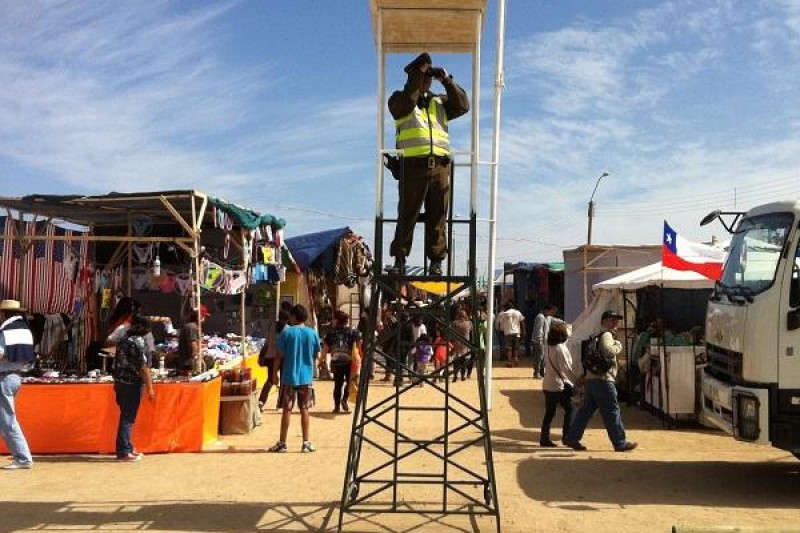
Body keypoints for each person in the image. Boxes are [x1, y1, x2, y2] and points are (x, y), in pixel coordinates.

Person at [387, 51, 470, 276]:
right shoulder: (399, 100)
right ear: (412, 77)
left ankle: (435, 262)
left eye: (429, 77)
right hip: (413, 166)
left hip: (440, 167)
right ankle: (400, 259)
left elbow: (463, 105)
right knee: (408, 215)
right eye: (423, 77)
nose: (427, 81)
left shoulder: (439, 102)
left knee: (437, 216)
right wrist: (418, 75)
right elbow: (407, 101)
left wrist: (446, 79)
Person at [564, 310, 638, 452]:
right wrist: (618, 345)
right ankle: (620, 442)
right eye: (612, 320)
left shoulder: (594, 336)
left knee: (586, 411)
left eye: (617, 320)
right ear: (604, 321)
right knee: (612, 411)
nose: (616, 322)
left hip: (592, 379)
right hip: (603, 379)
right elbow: (608, 351)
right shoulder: (607, 335)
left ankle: (572, 437)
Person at [268, 304, 321, 453]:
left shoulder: (287, 333)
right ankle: (306, 442)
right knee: (304, 409)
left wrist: (274, 375)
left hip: (289, 377)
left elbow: (278, 356)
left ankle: (282, 443)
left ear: (294, 316)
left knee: (287, 409)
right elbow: (317, 354)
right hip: (306, 377)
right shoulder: (312, 333)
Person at [112, 316, 156, 461]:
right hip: (132, 383)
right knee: (128, 418)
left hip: (119, 382)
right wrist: (150, 387)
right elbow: (143, 367)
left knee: (125, 416)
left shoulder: (123, 340)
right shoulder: (138, 342)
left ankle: (128, 447)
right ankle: (124, 451)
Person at [0, 299, 35, 470]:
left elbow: (0, 354)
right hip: (15, 376)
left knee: (7, 420)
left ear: (3, 314)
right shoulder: (23, 329)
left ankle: (23, 458)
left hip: (4, 377)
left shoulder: (5, 330)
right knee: (6, 418)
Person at [539, 322, 577, 447]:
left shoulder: (549, 346)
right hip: (558, 385)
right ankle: (567, 436)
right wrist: (576, 381)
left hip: (548, 384)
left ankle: (544, 438)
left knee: (549, 413)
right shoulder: (560, 348)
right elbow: (566, 369)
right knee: (570, 409)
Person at [323, 310, 361, 414]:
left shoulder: (331, 333)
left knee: (338, 384)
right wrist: (359, 358)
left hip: (336, 362)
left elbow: (325, 348)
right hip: (350, 362)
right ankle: (344, 400)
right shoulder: (353, 331)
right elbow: (358, 346)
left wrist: (321, 360)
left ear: (337, 320)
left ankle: (336, 407)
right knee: (350, 383)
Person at [258, 310, 289, 411]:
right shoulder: (288, 329)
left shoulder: (272, 326)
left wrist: (262, 354)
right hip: (283, 358)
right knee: (284, 382)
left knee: (270, 380)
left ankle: (261, 401)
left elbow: (267, 342)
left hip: (270, 357)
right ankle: (280, 405)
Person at [177, 305, 211, 376]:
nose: (205, 319)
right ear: (200, 317)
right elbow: (193, 346)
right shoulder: (191, 327)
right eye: (204, 317)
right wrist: (198, 358)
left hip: (190, 361)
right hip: (188, 363)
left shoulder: (194, 327)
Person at [531, 304, 559, 379]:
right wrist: (539, 340)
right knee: (539, 357)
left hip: (544, 341)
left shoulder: (547, 317)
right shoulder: (540, 317)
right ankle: (536, 373)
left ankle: (541, 372)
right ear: (546, 310)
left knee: (543, 357)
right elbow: (538, 329)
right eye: (551, 312)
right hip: (539, 341)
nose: (552, 314)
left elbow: (555, 320)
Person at [496, 302, 525, 367]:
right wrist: (524, 331)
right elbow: (522, 322)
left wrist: (501, 330)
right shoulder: (518, 312)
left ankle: (509, 362)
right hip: (517, 333)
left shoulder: (504, 314)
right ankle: (516, 360)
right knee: (516, 348)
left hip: (508, 333)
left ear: (506, 307)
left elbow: (501, 323)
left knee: (509, 349)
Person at [450, 309, 473, 381]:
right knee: (463, 361)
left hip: (457, 343)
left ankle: (455, 376)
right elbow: (471, 332)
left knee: (456, 361)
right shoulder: (469, 323)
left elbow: (451, 333)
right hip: (465, 344)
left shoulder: (454, 323)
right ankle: (463, 376)